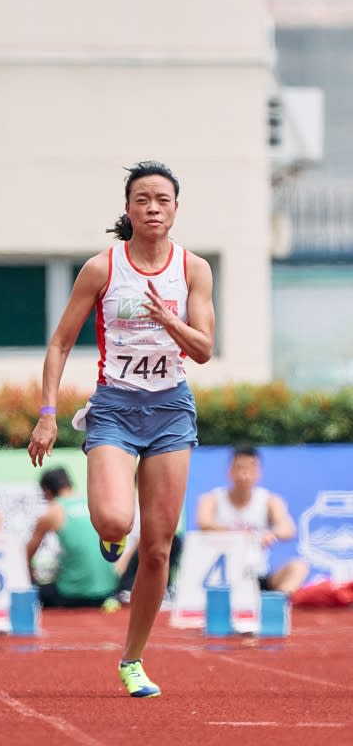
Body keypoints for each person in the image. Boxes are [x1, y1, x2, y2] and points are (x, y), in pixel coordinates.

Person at [28, 160, 214, 698]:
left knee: (157, 548)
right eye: (142, 199)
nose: (152, 208)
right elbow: (61, 343)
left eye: (162, 199)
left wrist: (168, 319)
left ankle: (132, 659)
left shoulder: (193, 269)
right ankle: (112, 536)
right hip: (114, 406)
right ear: (128, 208)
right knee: (114, 517)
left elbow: (202, 349)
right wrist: (46, 414)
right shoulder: (101, 268)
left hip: (171, 409)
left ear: (176, 208)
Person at [196, 446, 308, 595]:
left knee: (299, 566)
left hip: (257, 575)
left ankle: (277, 603)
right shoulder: (211, 499)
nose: (245, 474)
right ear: (229, 471)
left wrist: (271, 534)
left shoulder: (270, 501)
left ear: (259, 473)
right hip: (222, 578)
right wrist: (237, 534)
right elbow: (203, 523)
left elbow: (288, 529)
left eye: (251, 468)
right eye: (240, 468)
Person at [26, 467, 118, 607]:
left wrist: (31, 576)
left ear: (47, 491)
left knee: (37, 590)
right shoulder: (94, 504)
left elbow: (27, 554)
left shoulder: (53, 512)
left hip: (72, 594)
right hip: (109, 591)